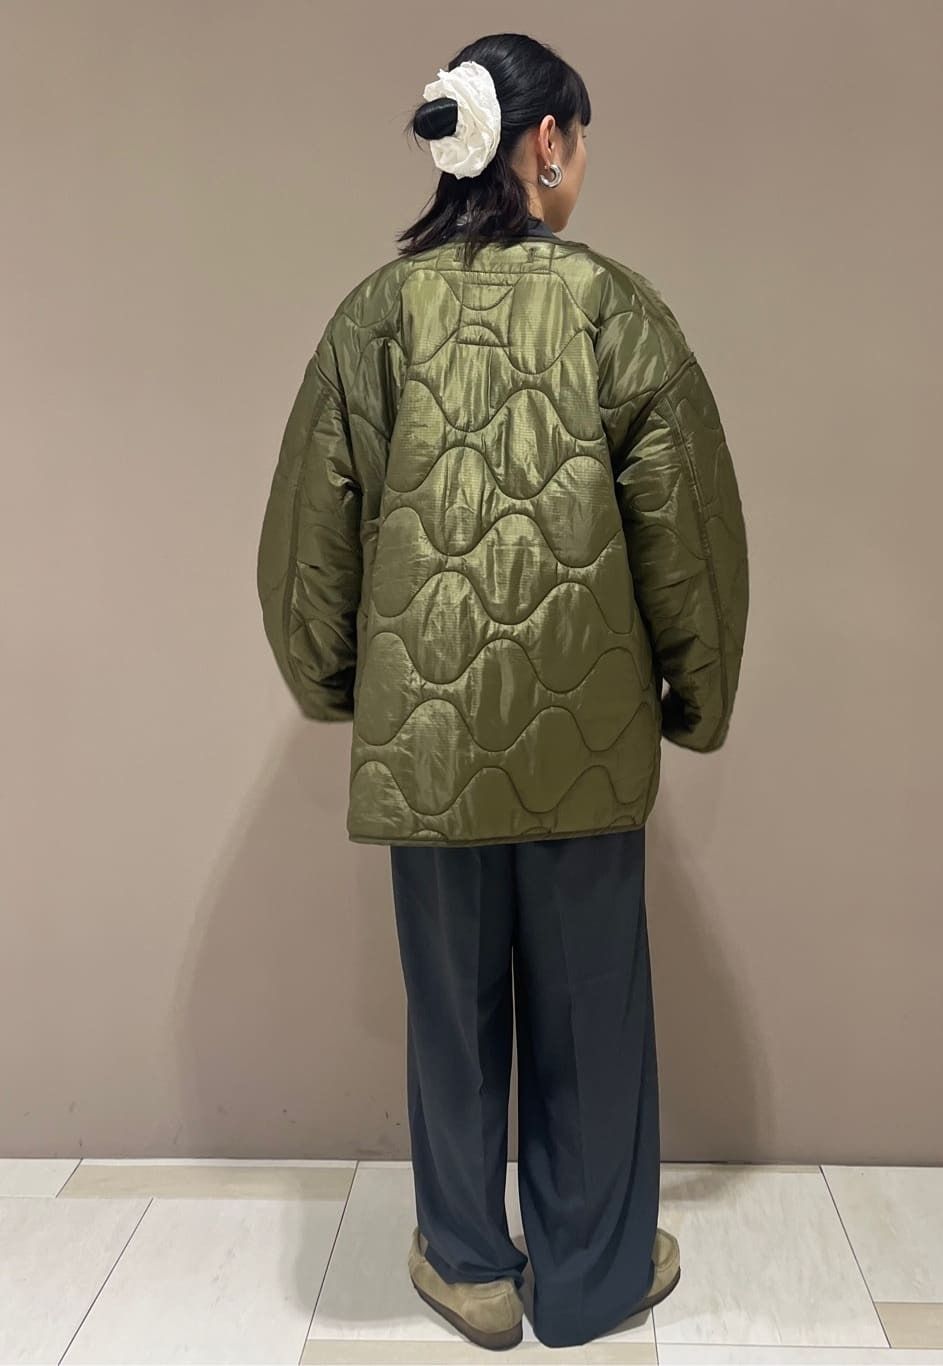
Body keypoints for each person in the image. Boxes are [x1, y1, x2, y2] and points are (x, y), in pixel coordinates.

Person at [256, 32, 749, 1351]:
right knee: (592, 1010)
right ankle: (591, 1273)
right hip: (587, 745)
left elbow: (306, 542)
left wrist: (340, 687)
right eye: (578, 143)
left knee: (453, 1016)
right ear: (546, 143)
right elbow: (690, 538)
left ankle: (472, 1266)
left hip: (429, 757)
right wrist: (695, 698)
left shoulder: (374, 319)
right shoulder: (616, 310)